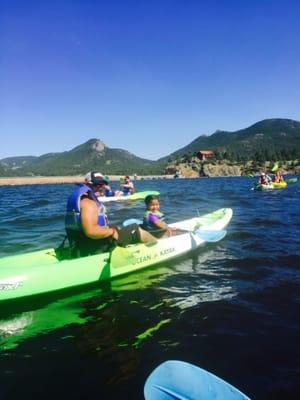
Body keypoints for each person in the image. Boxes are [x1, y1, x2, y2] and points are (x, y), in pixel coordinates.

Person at [65, 171, 156, 258]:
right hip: (94, 249)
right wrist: (111, 232)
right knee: (135, 229)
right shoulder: (88, 203)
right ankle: (159, 247)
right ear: (87, 184)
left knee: (116, 227)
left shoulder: (79, 199)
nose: (101, 187)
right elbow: (91, 231)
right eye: (97, 184)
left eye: (102, 184)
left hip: (81, 246)